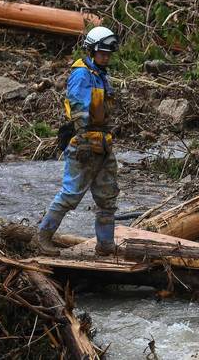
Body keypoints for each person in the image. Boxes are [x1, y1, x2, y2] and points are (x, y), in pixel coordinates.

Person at [35, 26, 120, 257]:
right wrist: (82, 140)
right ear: (92, 51)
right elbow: (78, 108)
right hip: (84, 142)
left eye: (108, 54)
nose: (106, 57)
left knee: (107, 197)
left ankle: (105, 245)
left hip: (102, 143)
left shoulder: (102, 76)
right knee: (70, 194)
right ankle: (43, 237)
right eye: (102, 53)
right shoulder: (82, 74)